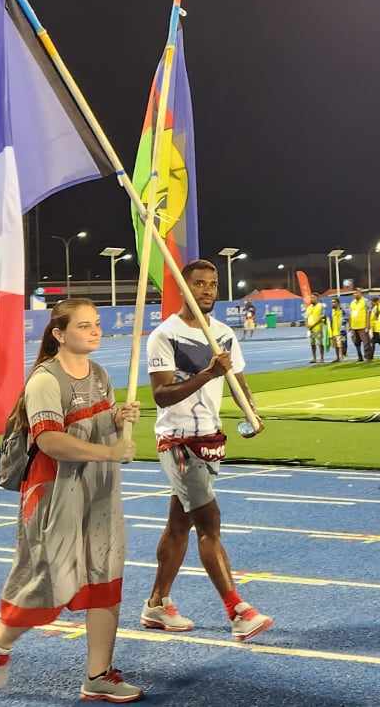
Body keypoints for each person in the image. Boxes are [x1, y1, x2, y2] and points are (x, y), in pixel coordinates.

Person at [0, 299, 143, 702]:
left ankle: (98, 675)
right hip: (55, 495)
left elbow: (95, 426)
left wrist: (117, 420)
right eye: (84, 325)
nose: (95, 331)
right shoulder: (45, 381)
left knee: (105, 577)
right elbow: (50, 441)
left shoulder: (100, 374)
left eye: (97, 324)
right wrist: (109, 452)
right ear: (59, 334)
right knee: (51, 584)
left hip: (100, 492)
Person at [141, 260, 274, 640]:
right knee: (209, 523)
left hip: (210, 438)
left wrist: (252, 412)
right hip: (178, 440)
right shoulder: (164, 336)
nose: (207, 291)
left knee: (178, 525)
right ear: (184, 288)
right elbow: (161, 394)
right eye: (198, 284)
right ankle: (238, 610)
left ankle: (156, 603)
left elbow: (237, 381)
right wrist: (208, 373)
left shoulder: (223, 333)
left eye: (213, 284)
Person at [347, 290, 370, 361]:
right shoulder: (352, 303)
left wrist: (367, 325)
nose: (355, 294)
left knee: (366, 343)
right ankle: (360, 356)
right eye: (354, 293)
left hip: (362, 326)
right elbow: (350, 315)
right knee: (356, 343)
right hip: (354, 326)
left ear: (361, 293)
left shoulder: (366, 301)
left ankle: (367, 357)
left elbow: (368, 313)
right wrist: (350, 326)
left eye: (356, 293)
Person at [304, 299, 325, 364]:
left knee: (320, 343)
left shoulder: (320, 306)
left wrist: (313, 325)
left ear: (317, 298)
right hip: (311, 329)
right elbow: (306, 317)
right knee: (312, 344)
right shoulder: (309, 307)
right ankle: (314, 358)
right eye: (311, 298)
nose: (311, 299)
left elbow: (322, 317)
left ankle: (322, 358)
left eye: (313, 298)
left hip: (318, 328)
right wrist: (307, 325)